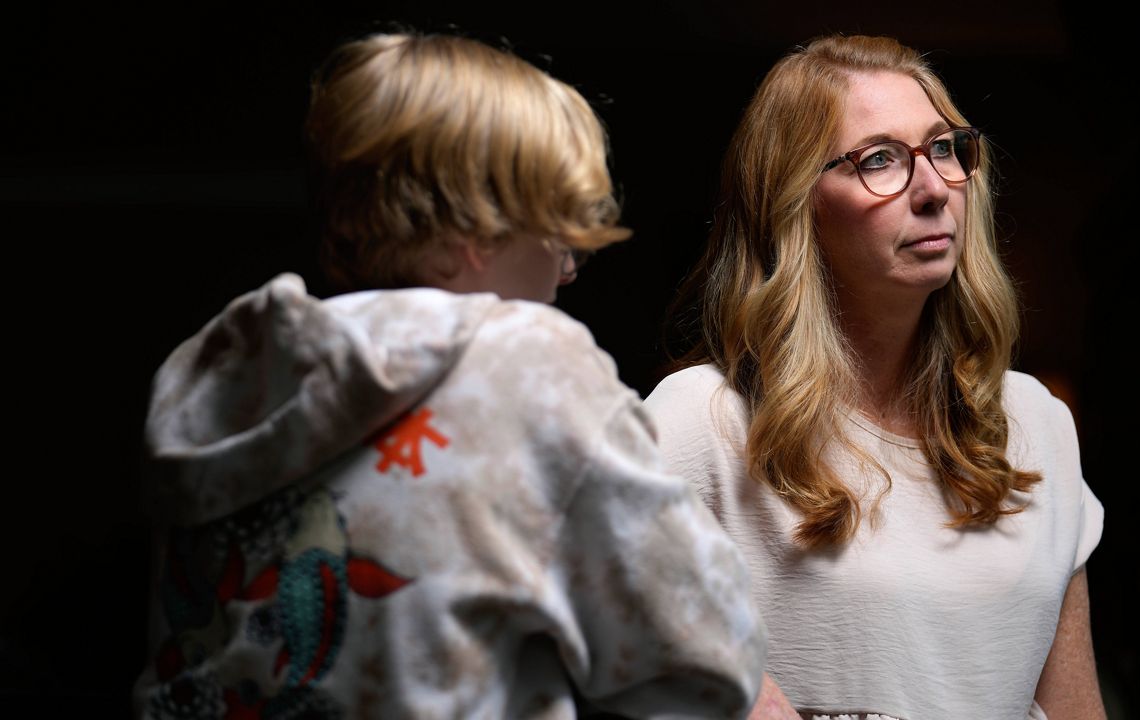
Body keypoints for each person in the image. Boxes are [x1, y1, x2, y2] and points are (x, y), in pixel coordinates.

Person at [133, 32, 765, 719]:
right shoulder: (526, 359)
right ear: (477, 230)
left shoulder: (227, 379)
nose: (569, 269)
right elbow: (705, 658)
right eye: (556, 231)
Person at [645, 35, 1105, 720]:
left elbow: (1074, 707)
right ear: (796, 202)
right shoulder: (700, 423)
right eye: (879, 159)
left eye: (943, 148)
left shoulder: (1038, 422)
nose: (931, 191)